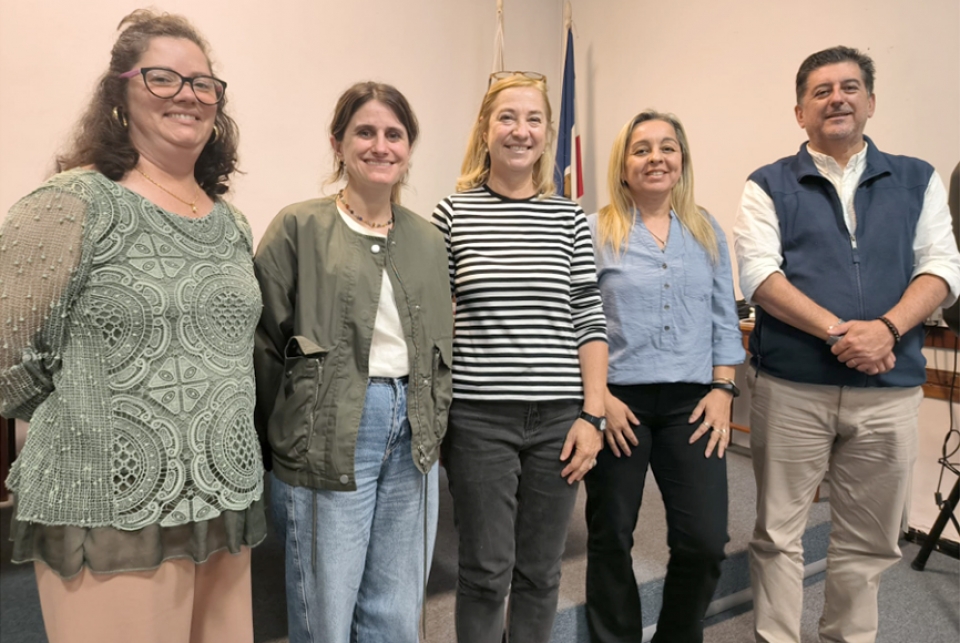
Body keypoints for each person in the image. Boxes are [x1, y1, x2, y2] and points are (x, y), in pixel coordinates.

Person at [0, 10, 264, 643]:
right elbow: (11, 359)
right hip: (109, 506)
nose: (187, 94)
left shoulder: (230, 223)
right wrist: (93, 418)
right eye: (162, 77)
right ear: (118, 94)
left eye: (203, 83)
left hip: (221, 500)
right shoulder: (73, 204)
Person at [733, 46, 960, 643]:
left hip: (888, 392)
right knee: (777, 534)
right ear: (800, 112)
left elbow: (941, 267)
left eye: (850, 87)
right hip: (792, 390)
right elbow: (759, 275)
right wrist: (842, 332)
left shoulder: (917, 179)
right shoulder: (767, 184)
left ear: (871, 102)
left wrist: (886, 330)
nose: (837, 98)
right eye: (821, 91)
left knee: (870, 540)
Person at [253, 81, 453, 643]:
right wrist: (286, 433)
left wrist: (434, 416)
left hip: (413, 433)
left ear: (409, 147)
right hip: (329, 433)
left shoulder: (428, 239)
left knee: (398, 610)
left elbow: (441, 348)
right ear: (337, 143)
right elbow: (263, 343)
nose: (380, 146)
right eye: (365, 132)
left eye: (394, 134)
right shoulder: (299, 226)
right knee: (327, 611)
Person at [432, 71, 608, 643]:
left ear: (548, 133)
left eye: (534, 119)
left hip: (560, 419)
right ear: (486, 129)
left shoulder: (568, 217)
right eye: (507, 117)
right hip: (480, 419)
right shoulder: (452, 214)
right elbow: (433, 322)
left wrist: (594, 414)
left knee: (541, 570)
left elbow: (589, 318)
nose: (520, 130)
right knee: (485, 573)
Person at [584, 110, 745, 643]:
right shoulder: (594, 231)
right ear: (623, 165)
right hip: (617, 403)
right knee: (611, 535)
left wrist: (723, 388)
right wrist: (598, 397)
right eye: (641, 149)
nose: (655, 158)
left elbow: (725, 317)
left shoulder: (705, 229)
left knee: (705, 541)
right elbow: (573, 321)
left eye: (667, 147)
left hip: (693, 404)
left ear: (682, 160)